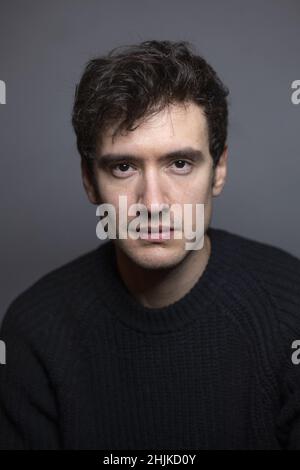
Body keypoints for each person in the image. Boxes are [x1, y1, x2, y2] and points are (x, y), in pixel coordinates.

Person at [1, 40, 300, 450]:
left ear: (219, 171)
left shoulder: (291, 312)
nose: (153, 204)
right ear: (89, 180)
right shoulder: (34, 331)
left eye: (180, 164)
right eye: (123, 167)